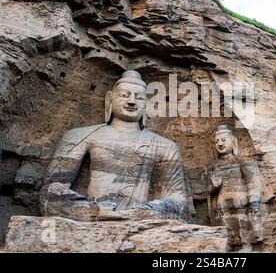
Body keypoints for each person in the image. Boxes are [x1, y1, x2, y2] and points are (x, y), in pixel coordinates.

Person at [40, 70, 192, 221]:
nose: (132, 101)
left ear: (147, 105)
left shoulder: (165, 146)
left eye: (139, 97)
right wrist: (96, 210)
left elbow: (180, 203)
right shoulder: (81, 136)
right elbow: (50, 192)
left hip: (140, 222)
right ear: (109, 99)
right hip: (90, 220)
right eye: (125, 95)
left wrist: (143, 212)